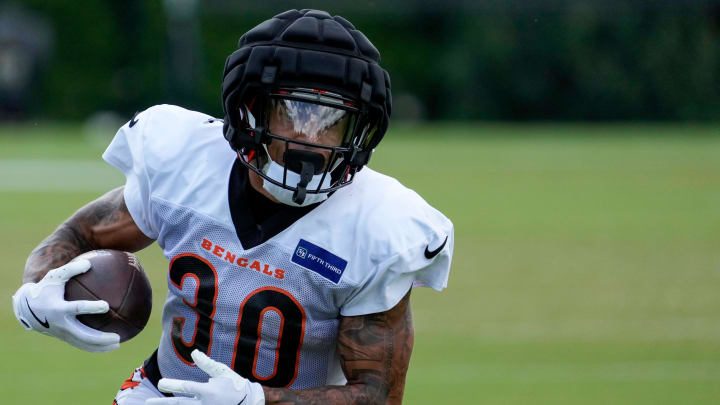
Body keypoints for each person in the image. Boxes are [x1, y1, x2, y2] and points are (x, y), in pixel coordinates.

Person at [12, 9, 453, 405]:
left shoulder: (378, 225)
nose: (313, 140)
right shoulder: (186, 164)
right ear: (249, 111)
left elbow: (377, 396)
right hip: (163, 394)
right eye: (295, 114)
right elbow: (78, 236)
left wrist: (256, 400)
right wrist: (35, 291)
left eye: (333, 123)